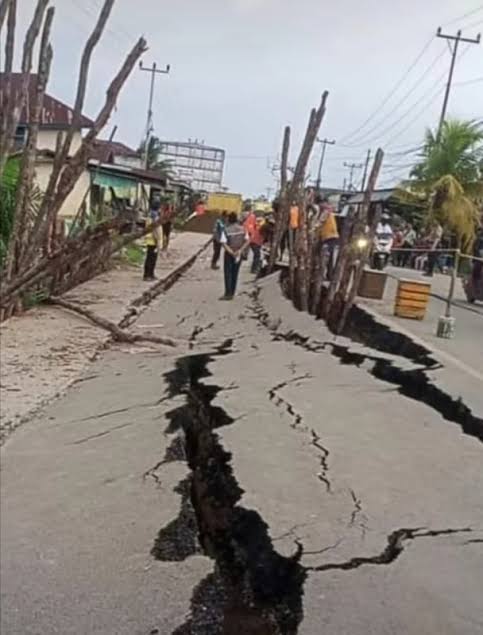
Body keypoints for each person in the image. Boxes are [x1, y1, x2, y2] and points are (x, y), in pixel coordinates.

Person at [220, 212, 250, 299]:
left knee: (228, 273)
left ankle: (228, 294)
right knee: (235, 273)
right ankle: (232, 292)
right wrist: (240, 250)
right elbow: (247, 240)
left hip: (229, 254)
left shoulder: (226, 229)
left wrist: (231, 252)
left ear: (229, 219)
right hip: (239, 254)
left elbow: (223, 243)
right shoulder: (243, 229)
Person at [318, 198, 339, 279]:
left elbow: (320, 222)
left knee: (325, 256)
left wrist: (312, 228)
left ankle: (324, 275)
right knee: (329, 257)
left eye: (321, 204)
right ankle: (329, 275)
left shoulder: (326, 212)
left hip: (328, 237)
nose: (320, 205)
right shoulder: (330, 212)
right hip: (331, 236)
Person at [143, 208, 161, 281]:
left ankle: (150, 274)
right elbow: (155, 231)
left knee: (150, 258)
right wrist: (157, 242)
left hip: (149, 240)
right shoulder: (155, 217)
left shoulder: (149, 216)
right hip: (153, 241)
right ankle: (148, 275)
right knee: (151, 259)